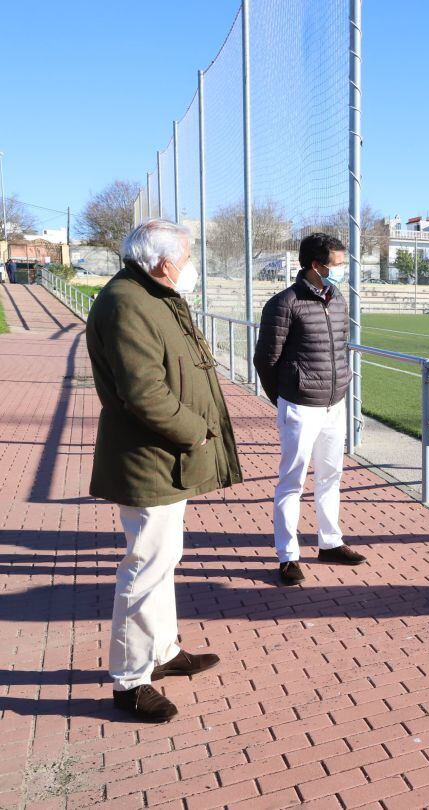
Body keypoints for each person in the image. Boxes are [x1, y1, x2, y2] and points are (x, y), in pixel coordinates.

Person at [85, 219, 242, 722]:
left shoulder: (151, 294)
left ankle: (164, 650)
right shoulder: (127, 302)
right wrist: (196, 431)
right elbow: (143, 392)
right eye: (188, 257)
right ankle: (131, 680)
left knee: (163, 558)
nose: (192, 266)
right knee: (145, 566)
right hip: (150, 457)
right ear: (163, 262)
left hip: (165, 458)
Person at [254, 233, 366, 586]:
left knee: (331, 476)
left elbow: (339, 346)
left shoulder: (337, 298)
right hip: (300, 406)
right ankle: (287, 556)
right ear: (316, 265)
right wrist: (285, 398)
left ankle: (330, 543)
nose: (342, 269)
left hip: (335, 404)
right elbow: (265, 360)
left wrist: (340, 385)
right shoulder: (283, 304)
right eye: (337, 264)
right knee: (292, 481)